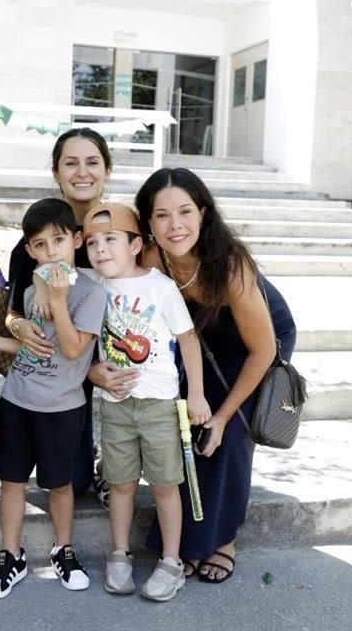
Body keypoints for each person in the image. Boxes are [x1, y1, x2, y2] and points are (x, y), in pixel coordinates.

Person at [94, 167, 297, 585]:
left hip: (257, 344)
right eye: (162, 215)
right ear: (148, 223)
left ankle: (223, 541)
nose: (175, 225)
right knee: (185, 426)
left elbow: (263, 351)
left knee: (230, 433)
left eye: (185, 211)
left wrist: (222, 417)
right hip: (195, 340)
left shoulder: (231, 266)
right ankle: (187, 541)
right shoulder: (150, 257)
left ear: (203, 213)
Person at [0, 198, 106, 600]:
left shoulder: (89, 294)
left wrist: (60, 301)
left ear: (76, 241)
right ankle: (11, 555)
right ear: (29, 250)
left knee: (59, 485)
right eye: (41, 245)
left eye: (59, 241)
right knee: (12, 481)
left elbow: (70, 349)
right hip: (17, 401)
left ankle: (63, 550)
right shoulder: (30, 290)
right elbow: (31, 347)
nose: (51, 252)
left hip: (62, 409)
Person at [80, 203, 211, 602]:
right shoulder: (92, 286)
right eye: (91, 243)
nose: (100, 249)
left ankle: (172, 562)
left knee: (165, 486)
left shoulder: (160, 286)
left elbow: (188, 338)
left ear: (136, 244)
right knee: (120, 484)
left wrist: (197, 394)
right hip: (115, 405)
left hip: (159, 405)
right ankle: (119, 553)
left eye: (110, 239)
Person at [3, 127, 114, 500]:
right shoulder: (35, 242)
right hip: (62, 372)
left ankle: (119, 467)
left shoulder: (123, 234)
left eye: (92, 162)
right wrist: (19, 327)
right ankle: (87, 454)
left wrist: (98, 364)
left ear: (107, 170)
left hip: (115, 362)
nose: (82, 172)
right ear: (56, 173)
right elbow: (12, 313)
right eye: (71, 163)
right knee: (74, 480)